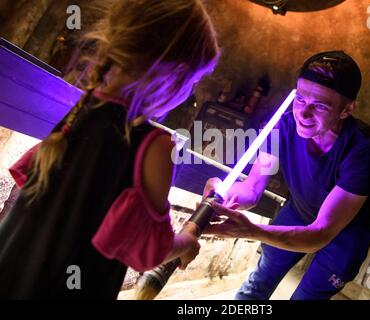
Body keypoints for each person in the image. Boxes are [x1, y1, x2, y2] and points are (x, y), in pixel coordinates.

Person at [0, 0, 219, 299]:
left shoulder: (82, 109)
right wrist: (187, 240)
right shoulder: (156, 146)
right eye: (192, 82)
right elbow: (149, 252)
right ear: (177, 74)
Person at [203, 51, 370, 300]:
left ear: (346, 110)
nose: (303, 113)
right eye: (300, 99)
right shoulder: (283, 125)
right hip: (299, 210)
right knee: (259, 280)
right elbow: (251, 190)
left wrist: (251, 230)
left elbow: (321, 233)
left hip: (344, 235)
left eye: (320, 106)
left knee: (306, 298)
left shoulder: (365, 152)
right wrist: (222, 191)